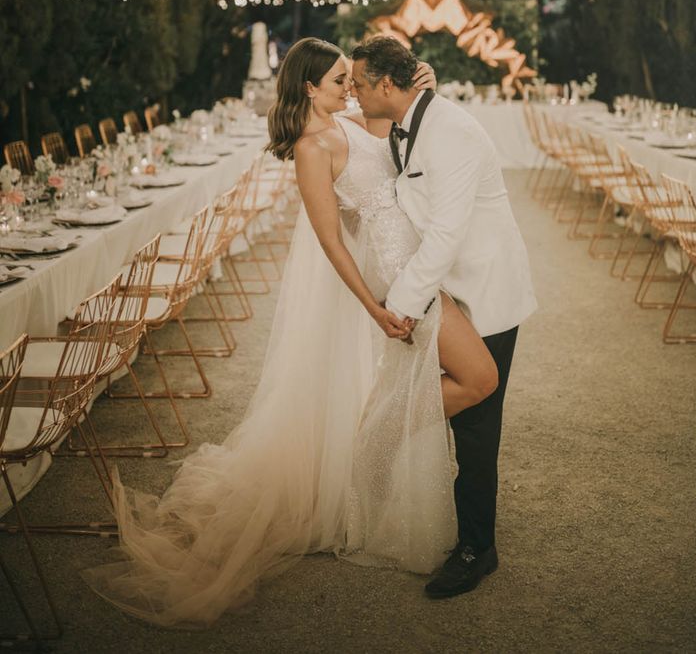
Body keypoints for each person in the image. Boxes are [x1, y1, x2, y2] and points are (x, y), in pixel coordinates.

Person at [84, 37, 496, 628]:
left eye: (351, 81)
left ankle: (377, 436)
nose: (348, 88)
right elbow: (331, 240)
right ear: (309, 87)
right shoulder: (312, 146)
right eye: (337, 81)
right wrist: (373, 307)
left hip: (418, 263)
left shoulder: (353, 119)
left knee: (464, 375)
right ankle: (374, 444)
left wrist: (422, 81)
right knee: (480, 377)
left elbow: (396, 118)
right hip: (397, 277)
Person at [350, 35, 536, 599]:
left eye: (359, 84)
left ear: (387, 85)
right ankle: (407, 439)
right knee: (465, 415)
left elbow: (448, 234)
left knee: (478, 424)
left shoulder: (450, 130)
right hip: (446, 295)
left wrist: (399, 306)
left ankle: (478, 548)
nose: (355, 94)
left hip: (485, 290)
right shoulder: (411, 117)